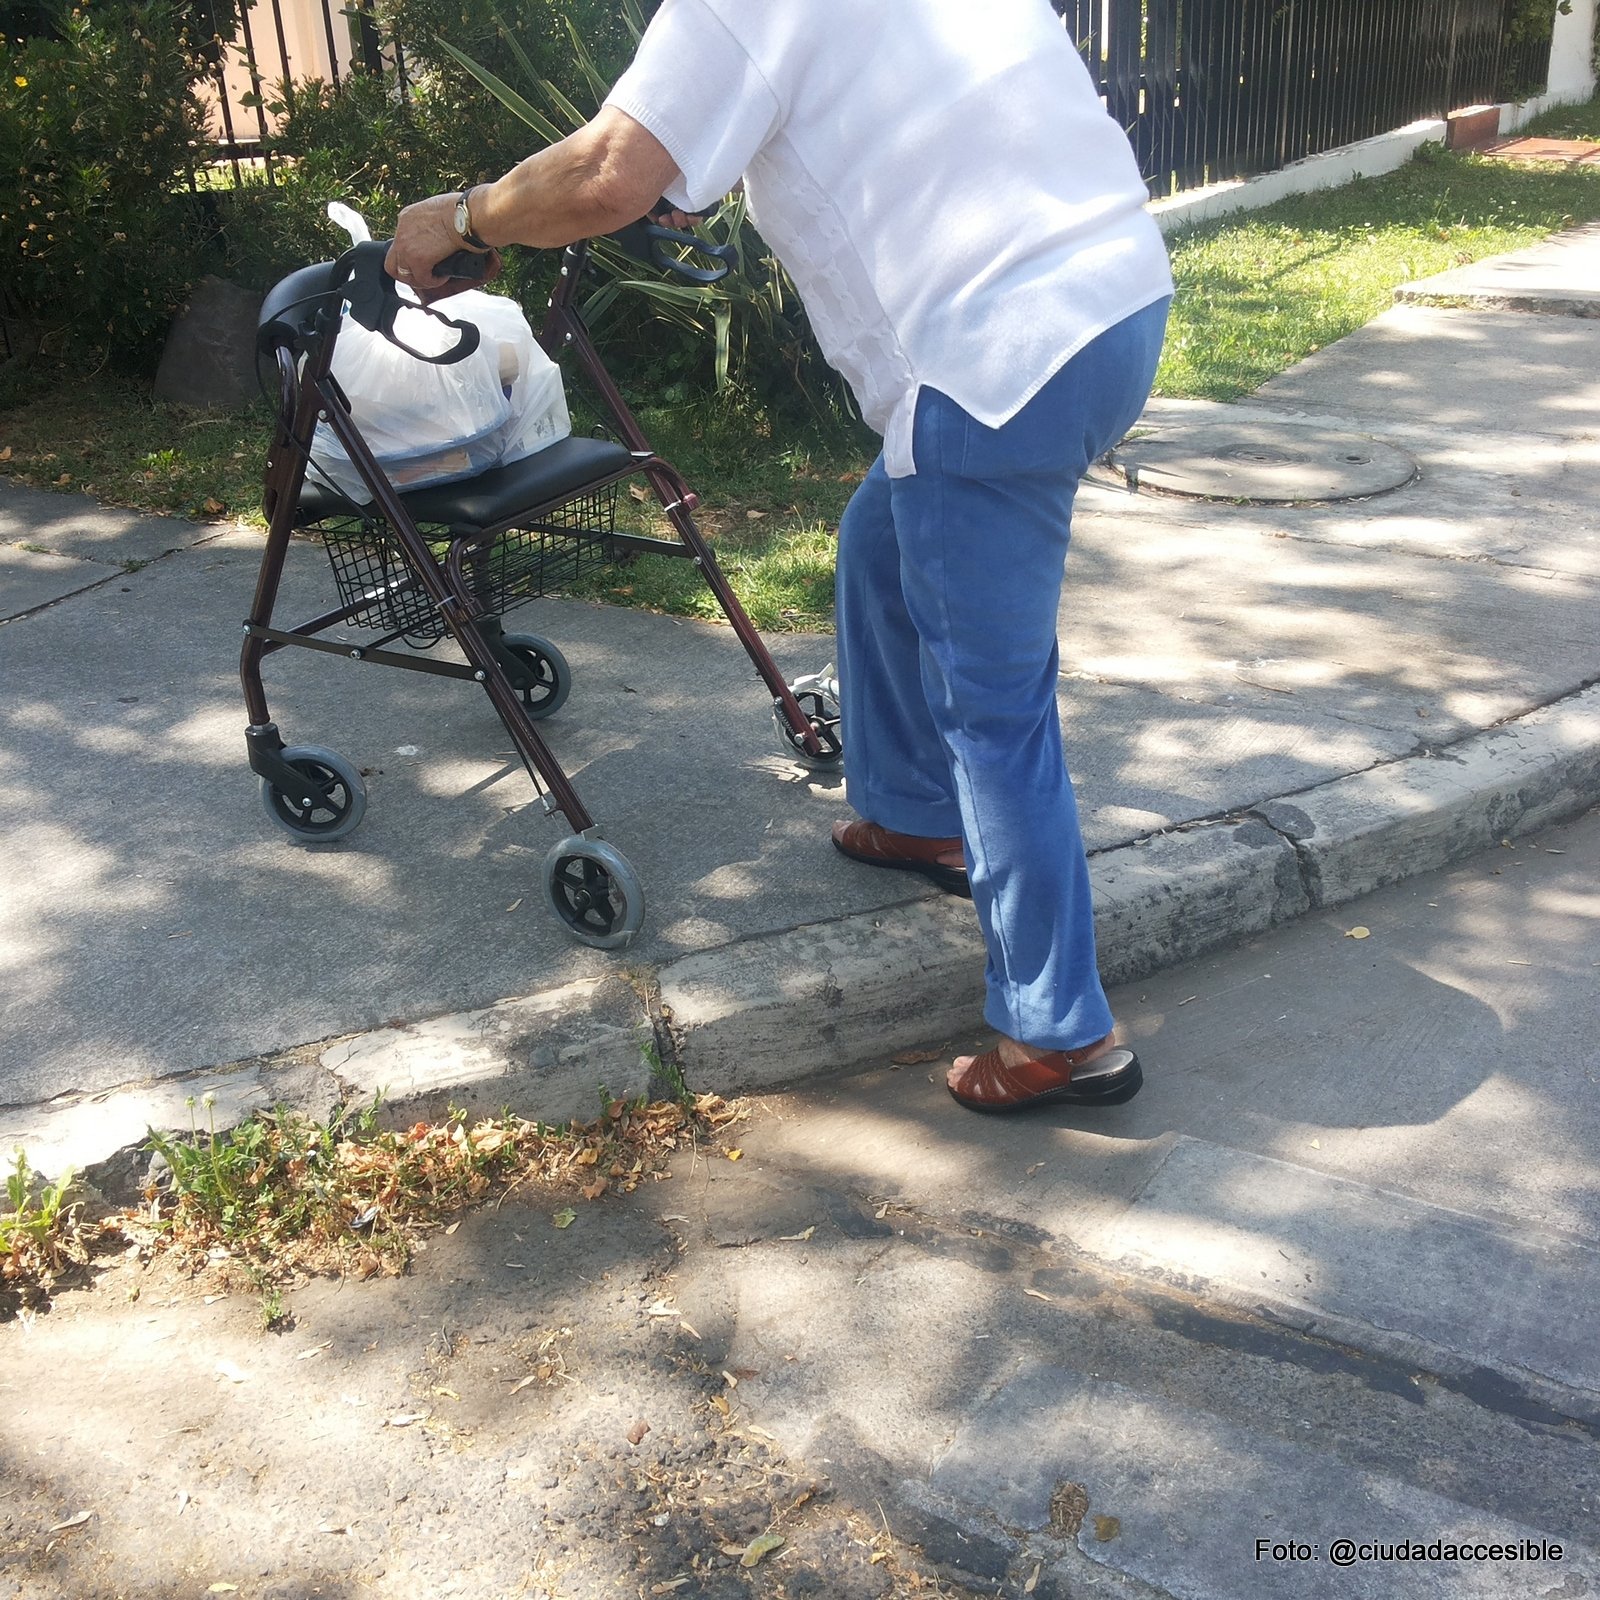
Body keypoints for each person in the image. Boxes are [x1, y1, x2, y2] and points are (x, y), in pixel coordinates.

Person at [388, 0, 1173, 1115]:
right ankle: (911, 811)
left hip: (995, 365)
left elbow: (612, 172)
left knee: (994, 710)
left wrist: (463, 216)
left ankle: (1062, 1035)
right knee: (879, 533)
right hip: (1111, 307)